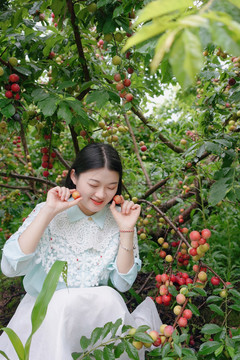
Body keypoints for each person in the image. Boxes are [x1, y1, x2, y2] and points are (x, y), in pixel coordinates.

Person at [0, 143, 161, 359]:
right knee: (63, 303)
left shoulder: (118, 220)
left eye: (112, 187)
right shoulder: (49, 211)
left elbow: (122, 284)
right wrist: (48, 212)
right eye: (93, 184)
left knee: (110, 296)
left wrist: (126, 229)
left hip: (96, 320)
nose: (101, 194)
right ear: (74, 177)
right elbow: (11, 267)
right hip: (47, 317)